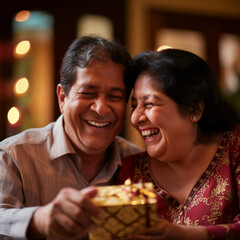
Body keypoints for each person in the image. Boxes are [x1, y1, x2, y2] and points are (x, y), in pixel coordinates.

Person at [0, 36, 141, 240]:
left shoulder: (138, 163)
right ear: (62, 98)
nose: (101, 109)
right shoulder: (14, 156)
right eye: (87, 93)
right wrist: (40, 219)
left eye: (115, 97)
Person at [116, 48, 240, 240]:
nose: (135, 118)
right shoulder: (130, 172)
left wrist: (184, 235)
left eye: (148, 104)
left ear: (194, 108)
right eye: (134, 106)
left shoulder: (235, 147)